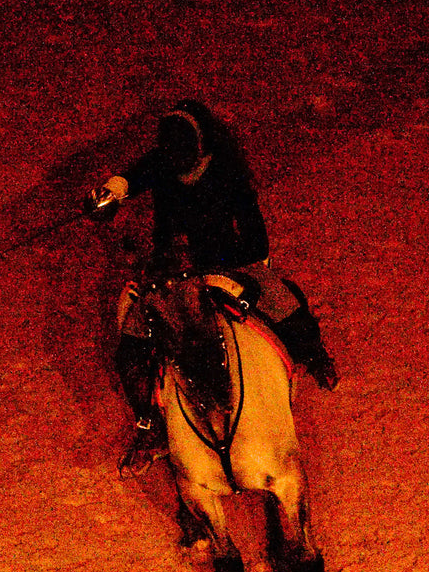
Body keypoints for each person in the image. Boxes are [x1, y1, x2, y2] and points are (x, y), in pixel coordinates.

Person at [83, 99, 339, 476]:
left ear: (199, 145)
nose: (172, 157)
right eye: (167, 149)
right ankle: (148, 423)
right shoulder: (165, 162)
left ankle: (315, 355)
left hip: (226, 263)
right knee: (134, 337)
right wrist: (112, 192)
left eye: (179, 149)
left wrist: (245, 271)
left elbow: (253, 232)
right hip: (172, 266)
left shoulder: (228, 172)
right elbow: (137, 175)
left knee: (281, 299)